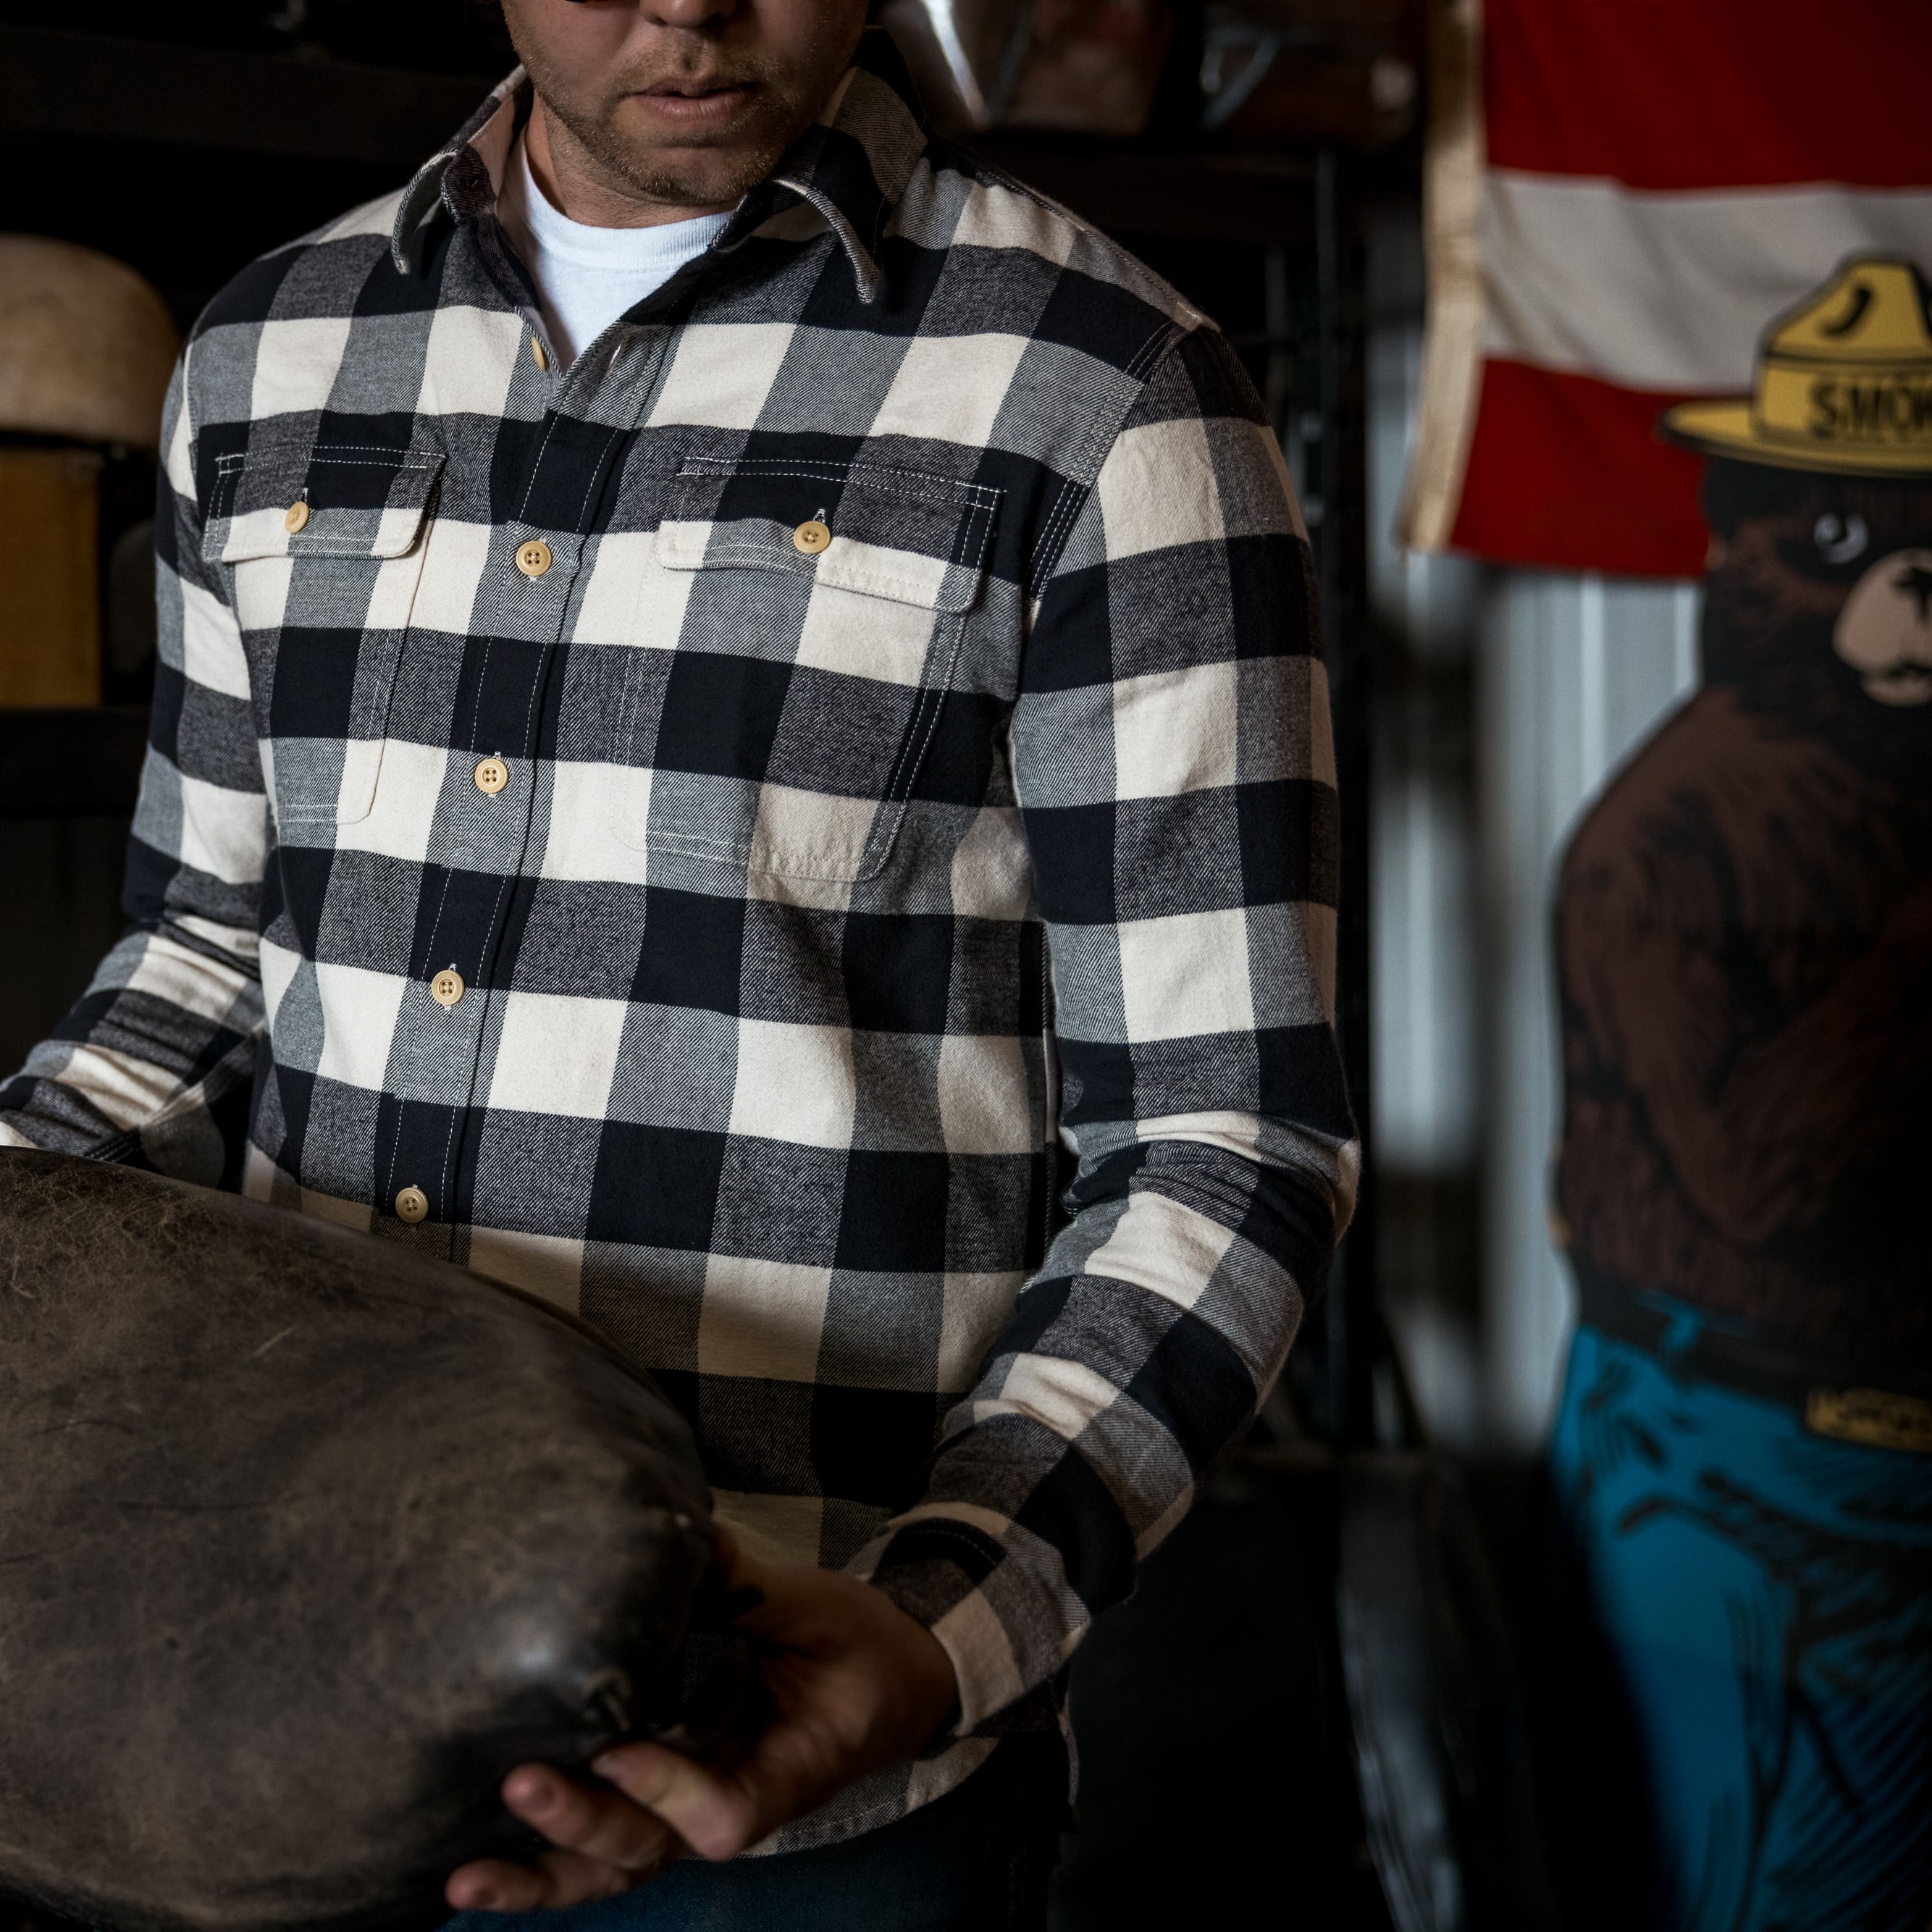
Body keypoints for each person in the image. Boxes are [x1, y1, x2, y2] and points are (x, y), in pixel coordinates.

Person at [0, 0, 1355, 1921]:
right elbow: (210, 952)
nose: (692, 10)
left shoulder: (1105, 388)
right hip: (262, 1713)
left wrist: (941, 1616)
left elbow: (1222, 1147)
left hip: (791, 1783)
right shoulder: (266, 351)